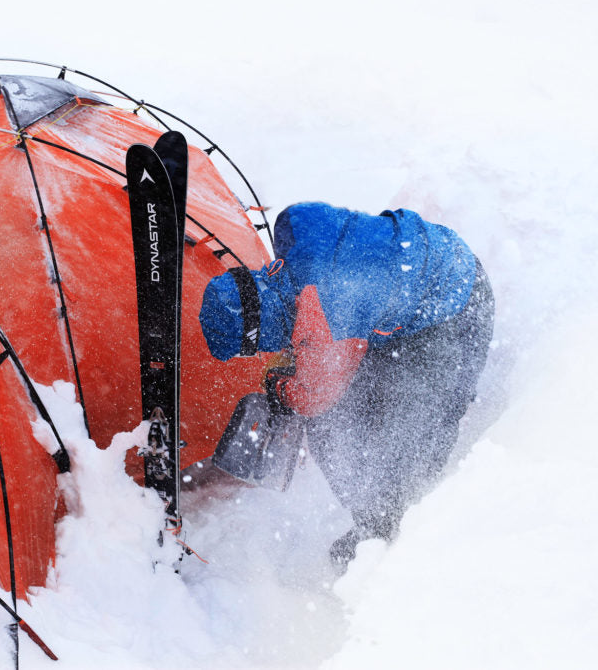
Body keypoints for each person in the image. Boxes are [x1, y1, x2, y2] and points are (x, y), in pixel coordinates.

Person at [199, 202, 494, 571]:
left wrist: (279, 388)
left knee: (412, 436)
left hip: (455, 309)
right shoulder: (294, 233)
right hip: (424, 273)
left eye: (257, 344)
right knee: (354, 410)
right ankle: (379, 520)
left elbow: (313, 398)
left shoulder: (324, 316)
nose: (267, 350)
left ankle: (396, 538)